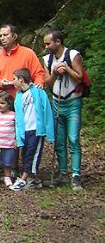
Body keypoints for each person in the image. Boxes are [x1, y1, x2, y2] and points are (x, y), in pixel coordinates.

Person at [43, 29, 85, 190]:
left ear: (57, 42)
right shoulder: (47, 59)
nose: (46, 47)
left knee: (73, 138)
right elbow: (48, 82)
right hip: (57, 102)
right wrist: (54, 72)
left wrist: (67, 69)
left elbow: (79, 77)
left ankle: (76, 174)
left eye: (48, 43)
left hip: (73, 102)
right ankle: (62, 172)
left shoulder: (73, 55)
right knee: (59, 141)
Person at [9, 68, 55, 191]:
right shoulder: (18, 96)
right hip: (25, 130)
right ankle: (33, 180)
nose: (12, 82)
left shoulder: (38, 92)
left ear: (21, 79)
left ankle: (23, 179)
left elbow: (47, 111)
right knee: (25, 154)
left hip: (36, 129)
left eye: (14, 79)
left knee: (32, 154)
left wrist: (49, 130)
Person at [0, 24, 45, 97]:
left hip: (26, 99)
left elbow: (39, 74)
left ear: (14, 36)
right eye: (0, 36)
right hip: (4, 103)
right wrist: (0, 83)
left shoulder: (28, 53)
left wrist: (37, 90)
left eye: (5, 35)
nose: (2, 38)